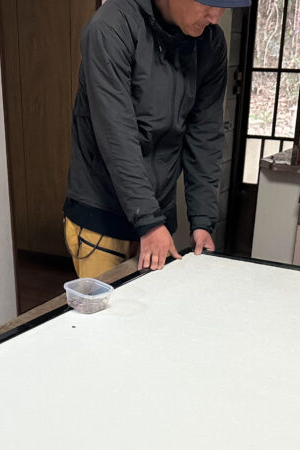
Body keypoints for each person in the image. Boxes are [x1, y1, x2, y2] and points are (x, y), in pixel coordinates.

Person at [62, 0, 251, 279]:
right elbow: (116, 136)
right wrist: (148, 221)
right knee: (110, 308)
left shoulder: (210, 43)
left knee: (154, 305)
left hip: (157, 215)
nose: (215, 17)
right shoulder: (111, 27)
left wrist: (202, 220)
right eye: (208, 3)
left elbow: (205, 135)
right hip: (103, 214)